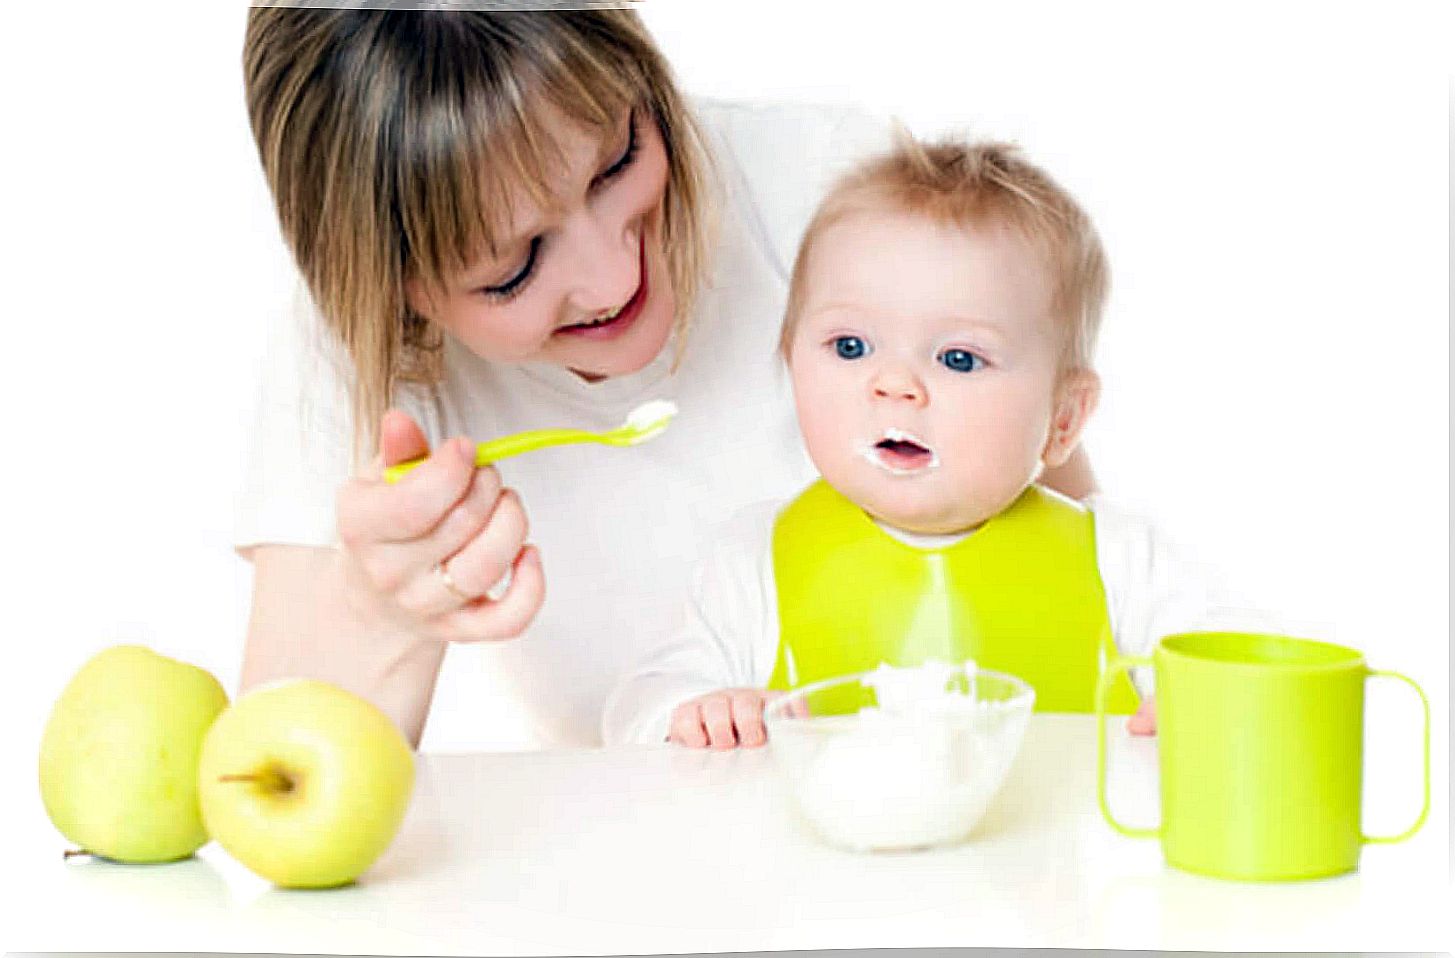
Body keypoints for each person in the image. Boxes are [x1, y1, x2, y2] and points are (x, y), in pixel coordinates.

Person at [235, 9, 1096, 750]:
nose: (614, 279)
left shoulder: (840, 204)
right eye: (511, 270)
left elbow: (1074, 562)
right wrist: (377, 611)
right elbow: (275, 789)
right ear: (393, 289)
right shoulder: (365, 357)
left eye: (617, 164)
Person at [603, 134, 1255, 749]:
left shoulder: (1118, 561)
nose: (894, 384)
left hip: (1060, 866)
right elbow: (636, 711)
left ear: (1063, 417)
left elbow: (1236, 660)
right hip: (823, 868)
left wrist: (1198, 699)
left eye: (959, 359)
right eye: (850, 346)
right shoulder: (752, 562)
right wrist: (700, 715)